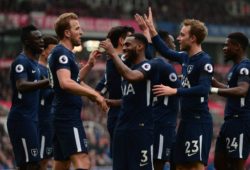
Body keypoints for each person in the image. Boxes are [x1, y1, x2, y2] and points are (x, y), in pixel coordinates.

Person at [143, 7, 214, 170]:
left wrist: (174, 91)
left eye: (182, 35)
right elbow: (165, 51)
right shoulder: (185, 57)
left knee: (195, 165)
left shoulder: (205, 61)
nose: (178, 38)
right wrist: (151, 29)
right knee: (180, 165)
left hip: (199, 121)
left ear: (193, 38)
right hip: (185, 120)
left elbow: (203, 88)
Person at [100, 33, 180, 170]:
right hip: (121, 129)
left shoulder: (149, 66)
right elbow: (130, 98)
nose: (124, 48)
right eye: (123, 44)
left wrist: (113, 53)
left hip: (141, 129)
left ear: (140, 46)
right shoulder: (128, 68)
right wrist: (112, 102)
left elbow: (131, 76)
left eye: (127, 45)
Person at [47, 12, 108, 170]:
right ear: (67, 33)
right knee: (83, 161)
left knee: (62, 164)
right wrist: (94, 94)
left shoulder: (68, 54)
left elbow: (75, 80)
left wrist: (89, 66)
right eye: (77, 28)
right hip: (67, 116)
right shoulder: (62, 53)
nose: (81, 32)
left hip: (62, 115)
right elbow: (66, 83)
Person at [7, 25, 49, 170]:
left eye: (41, 37)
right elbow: (21, 85)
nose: (41, 41)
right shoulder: (21, 61)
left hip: (32, 120)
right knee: (31, 165)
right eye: (37, 38)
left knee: (31, 165)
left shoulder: (35, 65)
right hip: (21, 120)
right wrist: (49, 81)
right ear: (27, 42)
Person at [210, 32, 250, 170]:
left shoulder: (245, 67)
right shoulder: (235, 68)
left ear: (237, 47)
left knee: (236, 165)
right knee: (219, 163)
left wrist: (213, 90)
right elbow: (231, 89)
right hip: (230, 122)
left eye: (227, 45)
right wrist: (213, 82)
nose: (224, 48)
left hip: (240, 121)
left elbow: (242, 90)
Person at [95, 25, 135, 157]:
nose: (136, 42)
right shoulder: (121, 60)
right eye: (131, 38)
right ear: (122, 41)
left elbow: (98, 90)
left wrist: (102, 100)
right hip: (123, 116)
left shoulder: (112, 62)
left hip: (118, 115)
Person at [38, 34, 58, 170]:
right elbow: (42, 94)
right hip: (41, 121)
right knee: (39, 160)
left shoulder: (50, 70)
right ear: (44, 51)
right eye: (52, 51)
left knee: (46, 159)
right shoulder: (38, 69)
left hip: (50, 120)